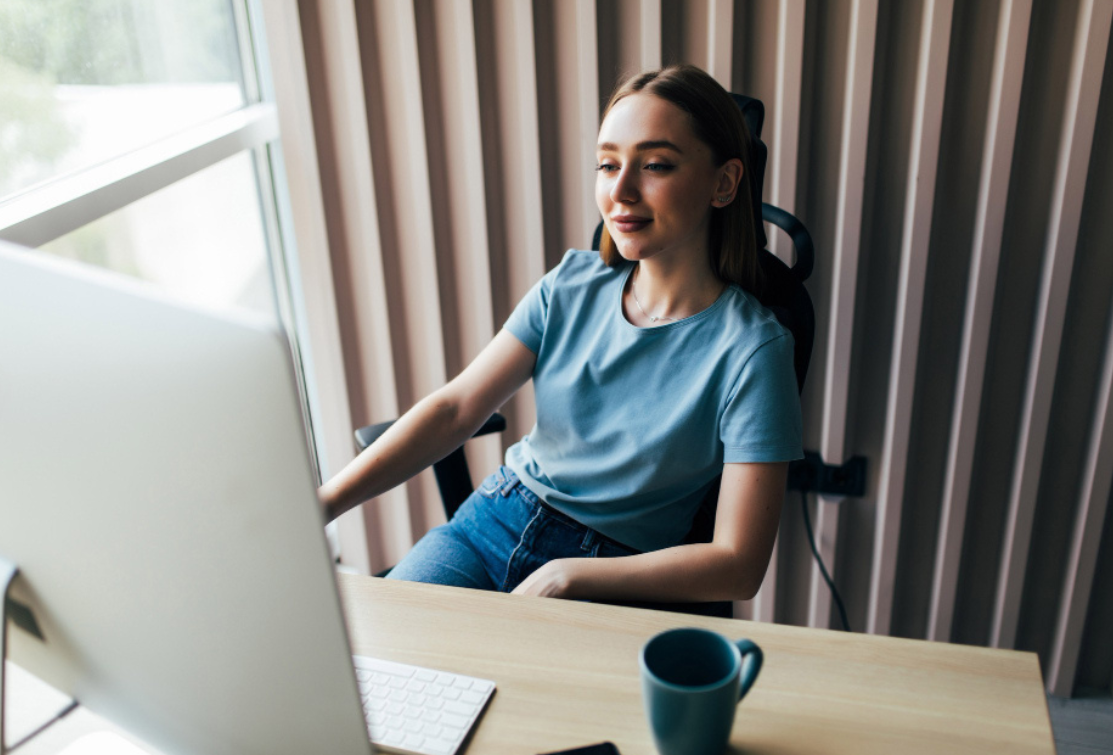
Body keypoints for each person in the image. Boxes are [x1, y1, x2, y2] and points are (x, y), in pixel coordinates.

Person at [319, 64, 802, 609]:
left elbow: (738, 565)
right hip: (491, 524)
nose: (620, 191)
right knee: (386, 649)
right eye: (608, 164)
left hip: (611, 574)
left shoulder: (753, 352)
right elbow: (455, 410)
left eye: (655, 165)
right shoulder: (570, 284)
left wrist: (569, 575)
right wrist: (323, 502)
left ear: (724, 183)